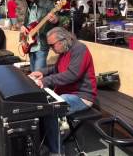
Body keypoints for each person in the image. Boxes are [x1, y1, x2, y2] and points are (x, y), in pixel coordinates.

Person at [29, 27, 97, 155]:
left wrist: (45, 81)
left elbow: (72, 75)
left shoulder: (80, 49)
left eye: (52, 45)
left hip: (82, 97)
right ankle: (45, 143)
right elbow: (56, 69)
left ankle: (56, 152)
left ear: (63, 40)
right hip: (67, 93)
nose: (51, 49)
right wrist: (42, 73)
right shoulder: (65, 50)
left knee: (51, 108)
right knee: (41, 105)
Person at [21, 0, 59, 72]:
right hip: (30, 45)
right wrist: (23, 27)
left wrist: (56, 20)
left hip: (41, 45)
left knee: (38, 74)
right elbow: (26, 24)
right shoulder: (29, 7)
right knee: (33, 73)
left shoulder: (48, 4)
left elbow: (59, 21)